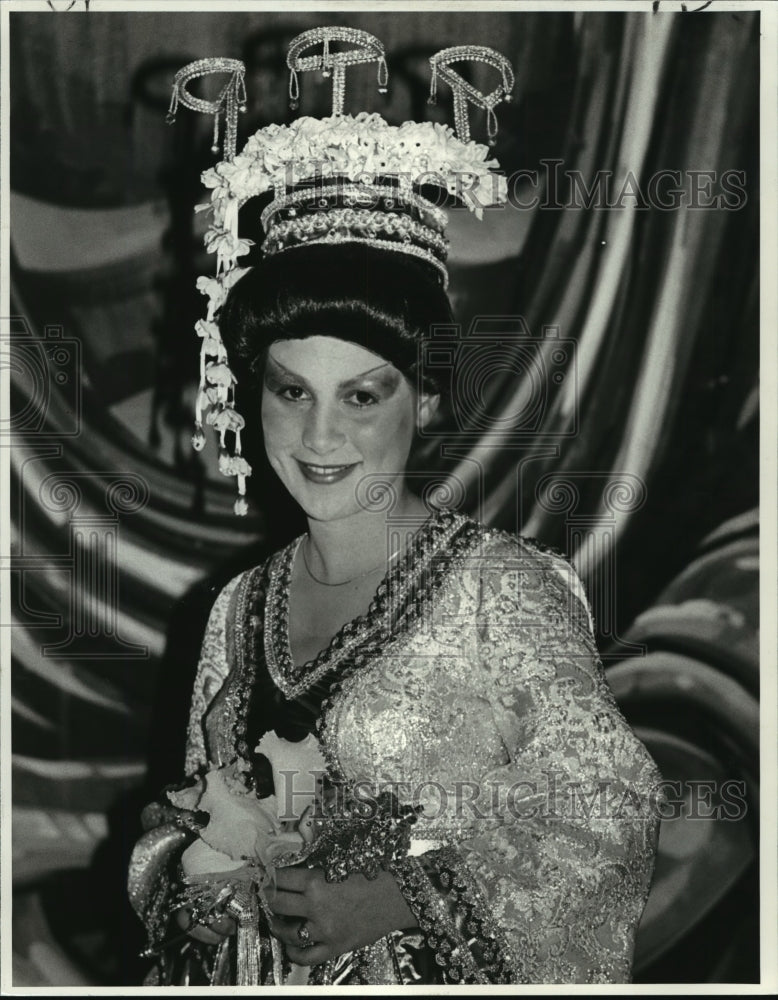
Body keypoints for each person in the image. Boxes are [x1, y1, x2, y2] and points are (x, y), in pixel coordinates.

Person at [127, 36, 662, 987]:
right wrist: (186, 892)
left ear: (427, 401)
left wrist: (404, 896)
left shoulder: (504, 591)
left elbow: (606, 817)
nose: (319, 435)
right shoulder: (235, 609)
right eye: (290, 391)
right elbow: (177, 817)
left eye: (362, 396)